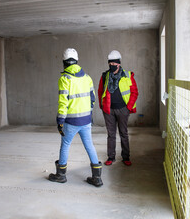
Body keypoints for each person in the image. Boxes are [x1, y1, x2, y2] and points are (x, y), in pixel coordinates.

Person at [48, 48, 103, 187]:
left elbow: (63, 102)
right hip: (86, 120)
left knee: (65, 145)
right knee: (89, 145)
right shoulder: (87, 77)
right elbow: (92, 99)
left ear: (64, 62)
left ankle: (61, 175)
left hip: (71, 121)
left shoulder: (65, 79)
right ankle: (97, 178)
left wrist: (60, 120)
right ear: (76, 61)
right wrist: (88, 114)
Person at [98, 50, 138, 166]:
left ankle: (126, 157)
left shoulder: (128, 75)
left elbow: (134, 92)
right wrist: (102, 106)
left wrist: (128, 108)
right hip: (109, 110)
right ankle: (111, 157)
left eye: (114, 63)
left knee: (123, 133)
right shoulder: (105, 76)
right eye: (110, 63)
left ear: (119, 63)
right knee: (111, 134)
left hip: (123, 109)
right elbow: (101, 91)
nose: (112, 65)